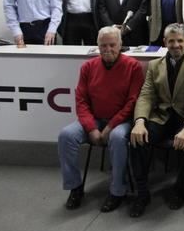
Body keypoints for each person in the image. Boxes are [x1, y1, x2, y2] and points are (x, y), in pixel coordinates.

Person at [57, 26, 144, 212]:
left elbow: (132, 102)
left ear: (120, 45)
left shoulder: (133, 66)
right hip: (94, 120)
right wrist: (91, 128)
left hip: (122, 121)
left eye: (112, 45)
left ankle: (117, 191)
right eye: (103, 45)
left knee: (118, 138)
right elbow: (81, 100)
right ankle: (75, 187)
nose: (108, 49)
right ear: (98, 46)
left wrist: (110, 126)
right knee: (66, 135)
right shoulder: (88, 67)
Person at [129, 23, 184, 217]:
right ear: (165, 42)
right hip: (161, 117)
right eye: (171, 41)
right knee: (138, 139)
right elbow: (146, 96)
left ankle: (179, 188)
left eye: (180, 41)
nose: (176, 45)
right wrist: (139, 122)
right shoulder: (154, 65)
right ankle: (142, 192)